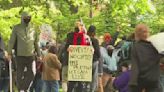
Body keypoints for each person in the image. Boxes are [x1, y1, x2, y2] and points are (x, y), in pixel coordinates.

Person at [8, 12, 41, 92]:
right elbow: (12, 41)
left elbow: (36, 43)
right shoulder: (16, 28)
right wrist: (9, 53)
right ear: (22, 18)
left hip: (31, 55)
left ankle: (24, 88)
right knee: (19, 73)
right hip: (20, 55)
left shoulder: (33, 29)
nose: (27, 19)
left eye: (29, 17)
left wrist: (39, 54)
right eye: (26, 17)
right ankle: (21, 89)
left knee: (33, 72)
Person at [129, 24, 162, 92]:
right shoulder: (155, 45)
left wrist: (133, 83)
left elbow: (135, 66)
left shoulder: (135, 47)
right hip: (154, 78)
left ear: (137, 34)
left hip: (140, 79)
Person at [87, 25, 101, 92]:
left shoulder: (85, 39)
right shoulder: (95, 40)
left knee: (87, 77)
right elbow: (98, 51)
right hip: (94, 60)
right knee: (93, 78)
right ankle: (91, 90)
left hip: (85, 60)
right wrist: (98, 57)